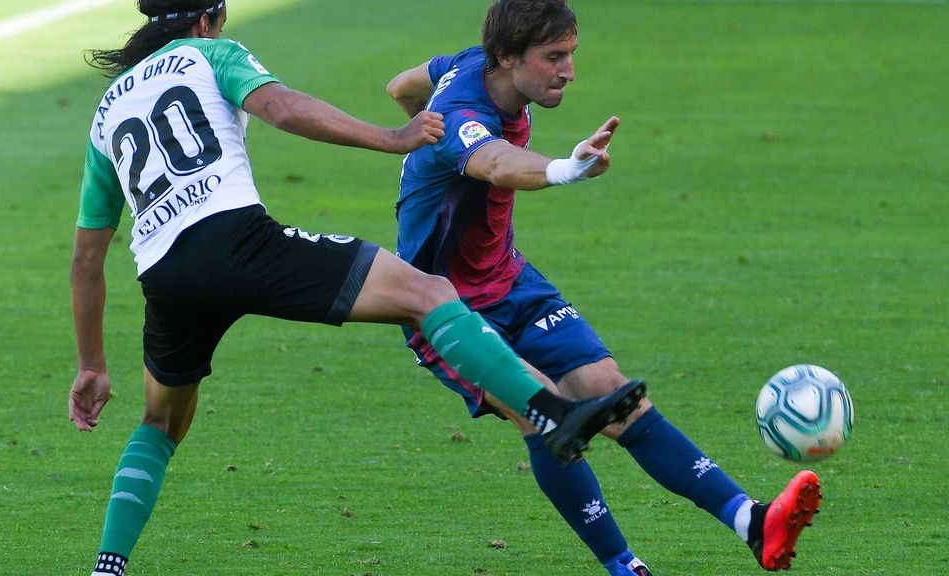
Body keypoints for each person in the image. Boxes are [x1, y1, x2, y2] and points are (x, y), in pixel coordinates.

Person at [68, 1, 650, 575]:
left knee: (160, 423)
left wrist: (91, 363)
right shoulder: (213, 53)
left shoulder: (105, 111)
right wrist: (392, 138)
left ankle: (107, 567)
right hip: (239, 243)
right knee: (429, 294)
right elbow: (287, 109)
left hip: (164, 275)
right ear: (205, 21)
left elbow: (87, 258)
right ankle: (550, 411)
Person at [386, 1, 822, 574]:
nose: (568, 71)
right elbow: (495, 163)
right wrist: (563, 167)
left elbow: (401, 86)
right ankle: (623, 565)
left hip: (512, 279)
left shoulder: (467, 65)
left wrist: (414, 130)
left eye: (570, 54)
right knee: (539, 407)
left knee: (613, 391)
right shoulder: (461, 113)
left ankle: (752, 521)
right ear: (507, 56)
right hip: (443, 308)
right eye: (554, 57)